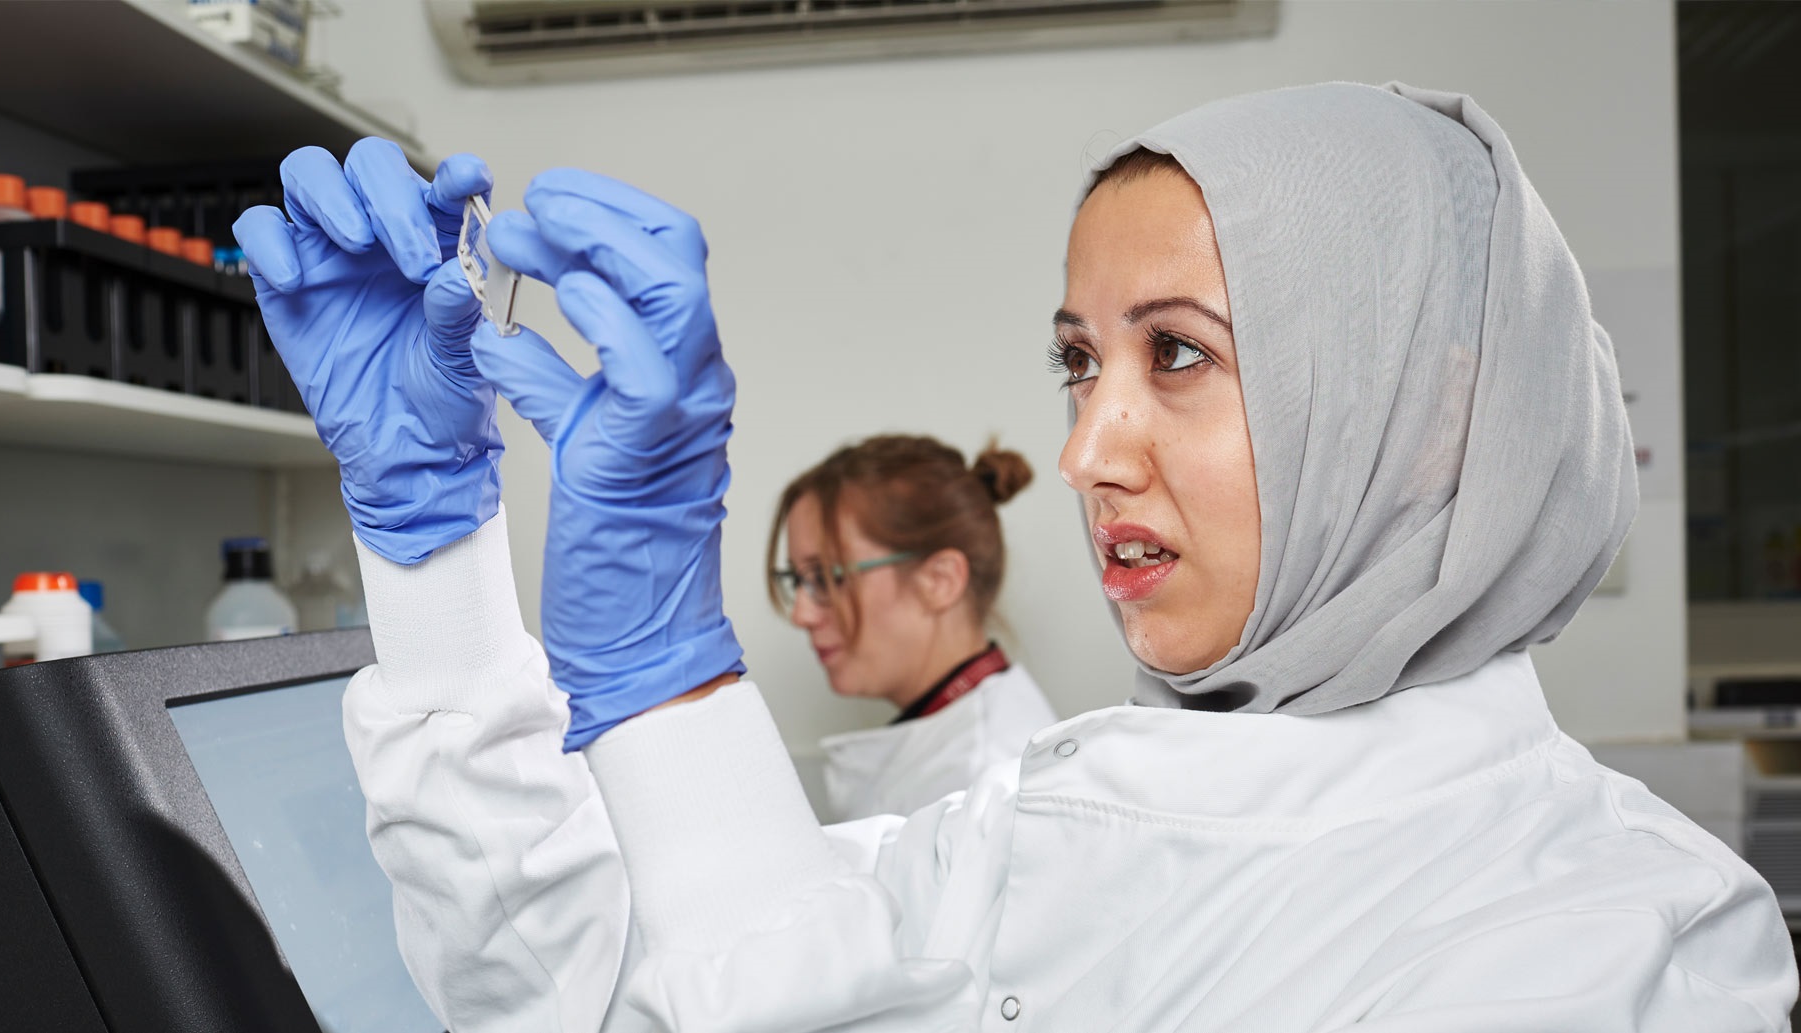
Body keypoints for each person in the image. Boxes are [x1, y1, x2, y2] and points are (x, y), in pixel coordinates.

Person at [237, 82, 1797, 1032]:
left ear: (1436, 415)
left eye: (1177, 356)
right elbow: (584, 996)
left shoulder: (1631, 935)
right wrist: (435, 552)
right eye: (1079, 361)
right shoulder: (1038, 825)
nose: (1087, 450)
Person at [769, 435, 1056, 820]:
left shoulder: (993, 786)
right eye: (798, 579)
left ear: (939, 581)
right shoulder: (951, 751)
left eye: (826, 577)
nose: (800, 614)